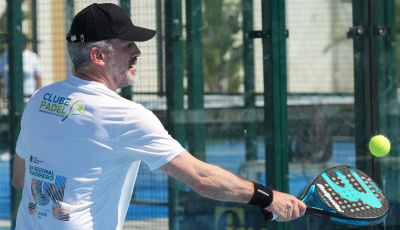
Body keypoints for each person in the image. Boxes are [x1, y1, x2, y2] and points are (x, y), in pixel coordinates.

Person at [12, 3, 306, 229]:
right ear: (98, 56)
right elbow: (201, 179)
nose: (137, 51)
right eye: (126, 45)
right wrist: (268, 197)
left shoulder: (40, 99)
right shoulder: (124, 116)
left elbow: (20, 178)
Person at [0, 34, 42, 101]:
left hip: (29, 97)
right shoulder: (5, 56)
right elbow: (1, 77)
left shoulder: (33, 56)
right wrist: (2, 92)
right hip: (9, 97)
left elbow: (38, 78)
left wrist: (37, 95)